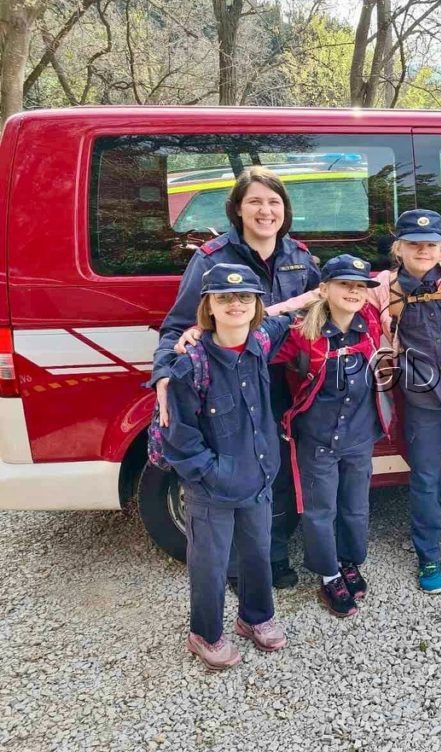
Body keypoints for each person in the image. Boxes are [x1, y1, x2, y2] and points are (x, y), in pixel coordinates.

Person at [274, 210, 441, 593]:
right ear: (399, 248)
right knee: (425, 480)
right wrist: (254, 316)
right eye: (414, 244)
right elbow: (316, 295)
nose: (423, 251)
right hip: (420, 402)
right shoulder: (383, 286)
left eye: (431, 244)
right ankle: (428, 555)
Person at [152, 166, 320, 590]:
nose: (266, 211)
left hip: (284, 382)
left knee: (278, 473)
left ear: (285, 210)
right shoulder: (212, 258)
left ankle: (272, 557)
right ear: (238, 209)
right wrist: (163, 376)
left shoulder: (300, 257)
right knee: (229, 476)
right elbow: (177, 326)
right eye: (255, 202)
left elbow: (327, 302)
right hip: (228, 383)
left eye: (274, 202)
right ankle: (235, 567)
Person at [161, 264, 295, 671]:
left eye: (245, 297)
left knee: (258, 552)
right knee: (210, 564)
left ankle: (255, 617)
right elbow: (179, 437)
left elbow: (295, 313)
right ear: (208, 306)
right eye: (224, 297)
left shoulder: (261, 342)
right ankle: (204, 634)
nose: (235, 304)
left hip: (258, 478)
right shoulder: (190, 365)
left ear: (257, 306)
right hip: (211, 489)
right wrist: (211, 473)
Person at [271, 255, 393, 617]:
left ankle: (348, 560)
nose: (354, 292)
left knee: (355, 506)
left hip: (359, 436)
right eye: (344, 284)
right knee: (320, 509)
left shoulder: (369, 322)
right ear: (324, 289)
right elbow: (255, 338)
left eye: (360, 286)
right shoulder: (301, 332)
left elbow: (398, 279)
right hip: (318, 440)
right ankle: (328, 574)